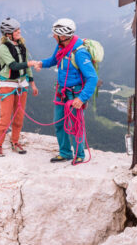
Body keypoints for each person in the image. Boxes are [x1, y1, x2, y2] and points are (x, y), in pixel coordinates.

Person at [29, 18, 98, 165]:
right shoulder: (62, 47)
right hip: (62, 91)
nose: (53, 36)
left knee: (76, 124)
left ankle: (79, 154)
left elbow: (92, 78)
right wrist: (42, 63)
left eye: (55, 34)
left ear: (63, 35)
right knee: (59, 123)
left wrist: (82, 98)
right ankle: (65, 152)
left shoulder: (80, 53)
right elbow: (54, 60)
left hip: (75, 94)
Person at [0, 18, 39, 157]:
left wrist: (32, 84)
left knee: (19, 117)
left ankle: (15, 141)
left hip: (21, 84)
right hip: (7, 84)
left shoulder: (21, 46)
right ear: (8, 33)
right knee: (6, 117)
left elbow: (27, 67)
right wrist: (30, 64)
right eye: (16, 30)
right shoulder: (3, 48)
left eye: (18, 29)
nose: (19, 31)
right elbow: (13, 65)